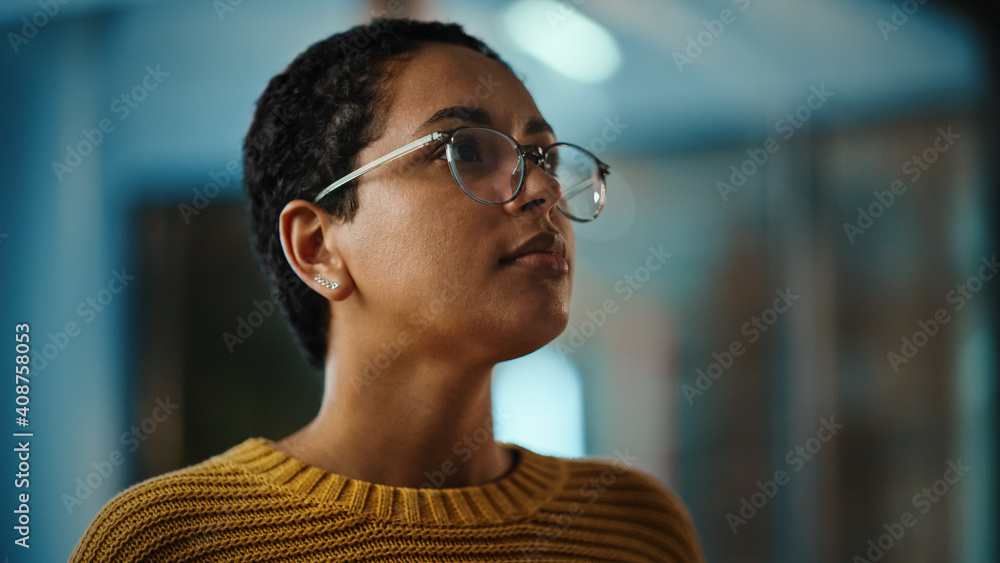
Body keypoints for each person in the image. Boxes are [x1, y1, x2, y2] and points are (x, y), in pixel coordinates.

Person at [70, 18, 704, 562]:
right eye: (468, 150)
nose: (541, 191)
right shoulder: (173, 542)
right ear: (317, 246)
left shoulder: (631, 529)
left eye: (541, 157)